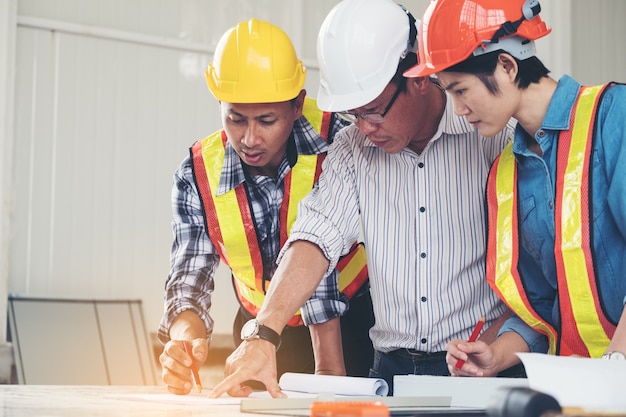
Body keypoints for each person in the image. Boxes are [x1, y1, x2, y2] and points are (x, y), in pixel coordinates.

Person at [209, 0, 515, 398]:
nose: (365, 128)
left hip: (484, 366)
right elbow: (314, 238)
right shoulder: (352, 150)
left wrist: (499, 346)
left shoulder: (492, 136)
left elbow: (537, 271)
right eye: (354, 114)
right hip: (388, 371)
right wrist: (262, 333)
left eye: (374, 111)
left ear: (418, 77)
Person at [405, 0, 626, 376]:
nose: (458, 109)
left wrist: (615, 366)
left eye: (460, 90)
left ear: (507, 66)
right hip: (579, 388)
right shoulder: (504, 174)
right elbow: (541, 305)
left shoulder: (614, 115)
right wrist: (496, 355)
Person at [157, 18, 375, 395]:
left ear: (296, 105)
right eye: (235, 119)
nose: (249, 138)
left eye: (267, 120)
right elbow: (189, 278)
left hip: (352, 325)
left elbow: (318, 248)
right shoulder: (197, 175)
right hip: (257, 330)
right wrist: (184, 342)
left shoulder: (342, 142)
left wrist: (329, 369)